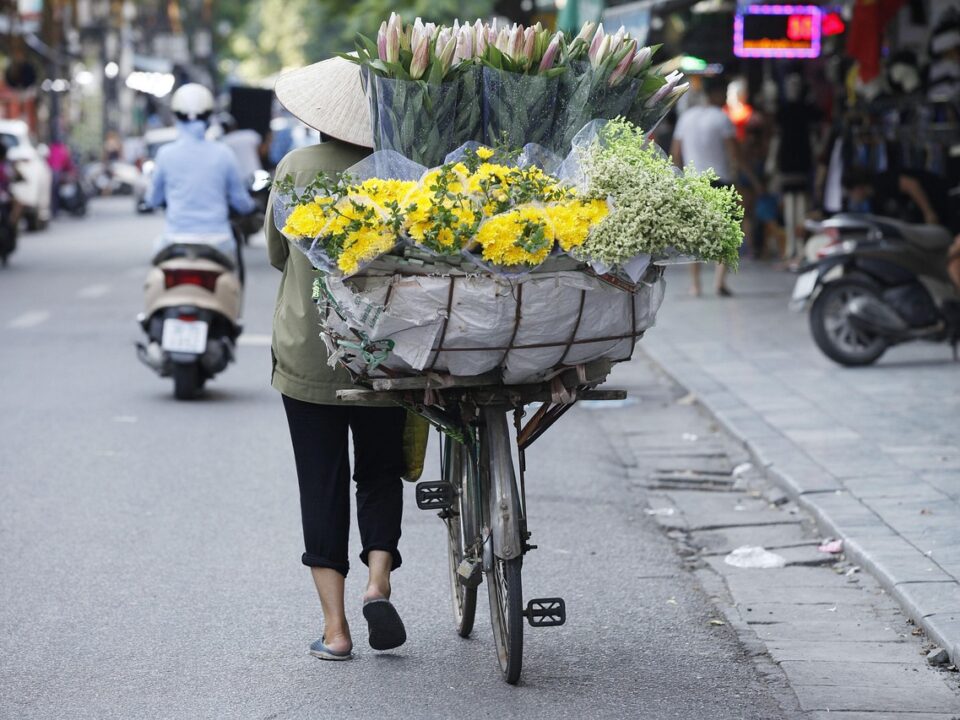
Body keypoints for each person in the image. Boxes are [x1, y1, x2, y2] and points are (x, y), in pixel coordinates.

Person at [266, 57, 408, 661]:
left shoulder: (294, 169)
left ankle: (336, 630)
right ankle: (379, 579)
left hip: (308, 355)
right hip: (384, 354)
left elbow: (277, 253)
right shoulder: (398, 174)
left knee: (319, 484)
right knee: (377, 470)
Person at [147, 83, 255, 273]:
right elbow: (241, 202)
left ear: (175, 116)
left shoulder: (165, 154)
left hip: (175, 241)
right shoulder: (224, 154)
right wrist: (251, 207)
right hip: (218, 242)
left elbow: (153, 199)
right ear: (209, 117)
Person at [671, 74, 748, 296]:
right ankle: (719, 282)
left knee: (694, 235)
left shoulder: (686, 118)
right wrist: (749, 178)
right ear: (715, 94)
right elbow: (734, 153)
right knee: (726, 233)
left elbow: (676, 154)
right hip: (720, 181)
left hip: (693, 182)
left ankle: (695, 285)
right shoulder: (722, 119)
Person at [219, 113, 264, 181]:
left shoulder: (222, 142)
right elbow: (262, 152)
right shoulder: (249, 134)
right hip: (256, 176)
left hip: (238, 179)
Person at [47, 133, 75, 217]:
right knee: (55, 192)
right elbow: (67, 163)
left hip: (51, 171)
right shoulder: (63, 149)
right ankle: (55, 210)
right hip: (56, 172)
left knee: (53, 192)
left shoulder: (52, 148)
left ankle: (54, 210)